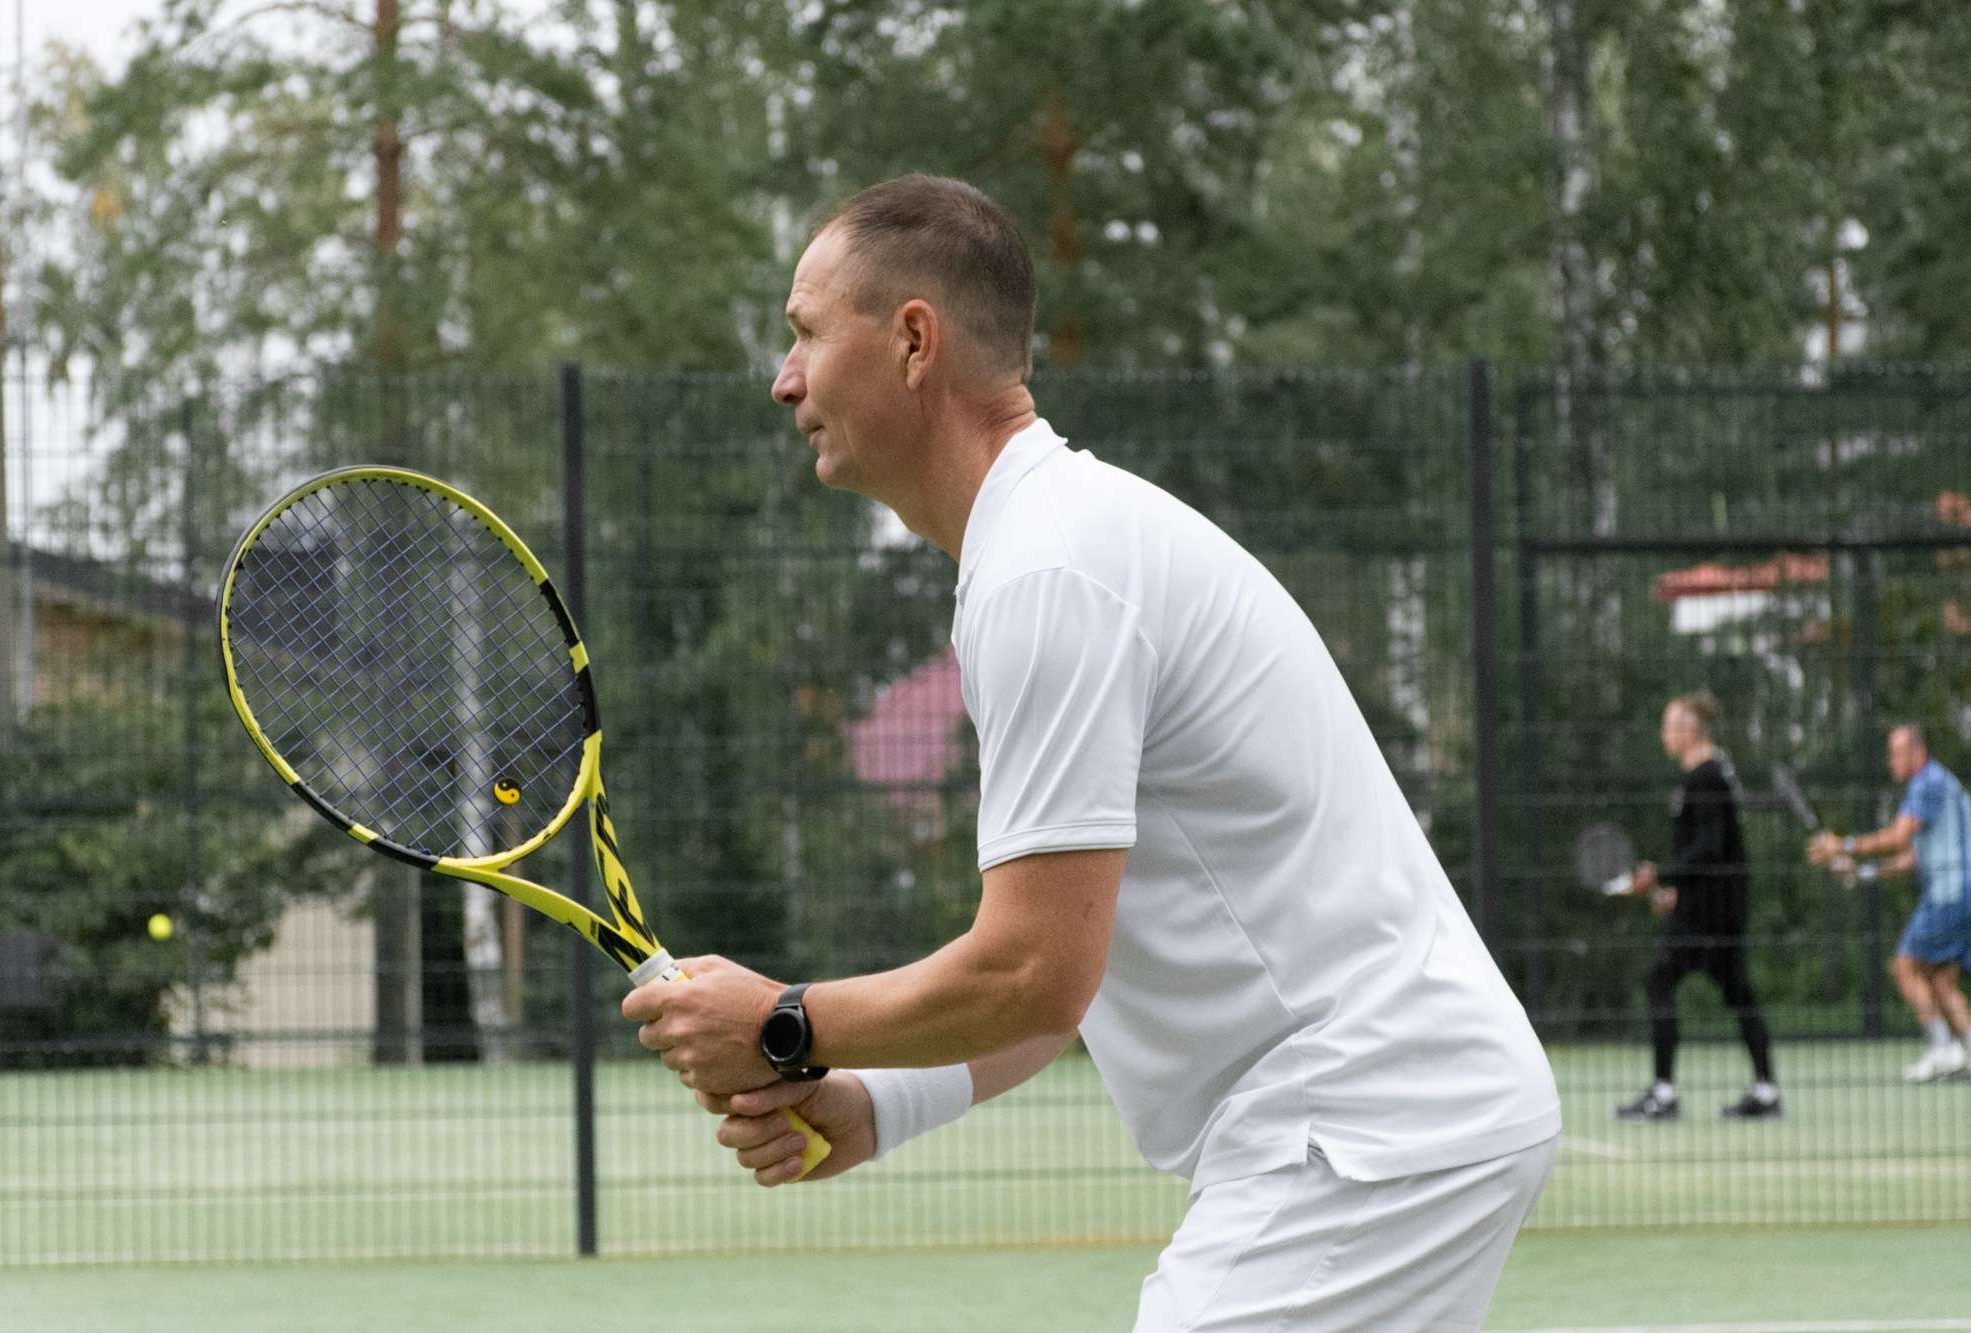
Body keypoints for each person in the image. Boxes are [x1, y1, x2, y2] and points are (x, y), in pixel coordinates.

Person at [621, 175, 1560, 1331]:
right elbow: (1075, 974)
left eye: (806, 333)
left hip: (1356, 1135)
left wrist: (783, 1021)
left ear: (912, 340)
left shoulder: (1047, 573)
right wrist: (876, 1103)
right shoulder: (1048, 550)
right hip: (1389, 1128)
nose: (784, 379)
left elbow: (1033, 971)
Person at [1616, 692, 1781, 1122]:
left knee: (1658, 981)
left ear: (1690, 732)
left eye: (1670, 725)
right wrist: (1676, 891)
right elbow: (1717, 851)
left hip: (1708, 913)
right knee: (1738, 992)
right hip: (1719, 905)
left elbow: (1708, 849)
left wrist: (1661, 876)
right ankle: (1766, 1091)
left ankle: (1664, 1094)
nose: (1663, 734)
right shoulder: (1715, 773)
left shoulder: (1705, 778)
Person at [1809, 724, 1971, 1083]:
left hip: (1950, 892)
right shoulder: (1940, 784)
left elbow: (1898, 839)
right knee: (1942, 979)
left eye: (1897, 752)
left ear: (1918, 752)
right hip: (1964, 892)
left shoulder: (1926, 783)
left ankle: (1944, 1051)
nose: (1891, 760)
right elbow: (1912, 857)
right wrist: (1865, 873)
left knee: (1904, 967)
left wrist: (1844, 845)